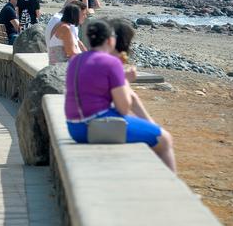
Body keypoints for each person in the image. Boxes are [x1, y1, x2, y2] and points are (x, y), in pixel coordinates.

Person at [65, 19, 176, 171]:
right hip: (95, 126)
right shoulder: (112, 63)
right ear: (111, 40)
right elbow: (123, 108)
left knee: (149, 132)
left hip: (74, 128)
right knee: (164, 140)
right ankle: (171, 190)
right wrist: (125, 82)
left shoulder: (76, 60)